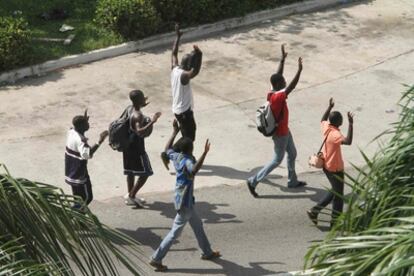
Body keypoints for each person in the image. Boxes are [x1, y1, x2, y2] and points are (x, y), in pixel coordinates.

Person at [150, 120, 220, 271]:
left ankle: (207, 252)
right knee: (174, 233)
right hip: (185, 202)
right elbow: (193, 170)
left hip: (183, 199)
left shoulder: (177, 156)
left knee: (197, 225)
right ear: (190, 149)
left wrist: (175, 132)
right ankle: (156, 258)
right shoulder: (187, 160)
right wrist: (205, 153)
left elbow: (167, 149)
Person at [247, 44, 306, 197]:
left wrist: (282, 60)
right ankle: (253, 181)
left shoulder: (272, 91)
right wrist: (299, 71)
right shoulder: (278, 97)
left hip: (285, 129)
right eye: (283, 81)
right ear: (280, 85)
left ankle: (292, 181)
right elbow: (291, 87)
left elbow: (277, 75)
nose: (285, 82)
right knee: (277, 160)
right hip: (280, 133)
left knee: (292, 153)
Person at [307, 98, 354, 227]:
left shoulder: (327, 128)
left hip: (326, 165)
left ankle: (315, 211)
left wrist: (329, 107)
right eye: (342, 120)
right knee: (338, 196)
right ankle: (334, 223)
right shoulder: (335, 134)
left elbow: (323, 119)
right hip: (335, 168)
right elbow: (349, 141)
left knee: (334, 191)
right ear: (339, 122)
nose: (342, 121)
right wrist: (351, 124)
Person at [123, 90, 161, 207]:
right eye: (142, 97)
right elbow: (139, 131)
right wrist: (153, 121)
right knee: (145, 173)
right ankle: (132, 195)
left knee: (130, 172)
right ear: (139, 99)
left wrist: (141, 104)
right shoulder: (138, 115)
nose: (145, 98)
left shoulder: (129, 108)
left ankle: (130, 194)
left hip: (127, 147)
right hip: (137, 149)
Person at [65, 110, 108, 207]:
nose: (88, 124)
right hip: (79, 174)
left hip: (71, 172)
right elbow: (86, 155)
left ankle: (77, 217)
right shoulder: (81, 141)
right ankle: (76, 216)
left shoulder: (71, 132)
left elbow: (74, 127)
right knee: (86, 198)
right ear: (81, 126)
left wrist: (83, 121)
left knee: (78, 199)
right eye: (86, 123)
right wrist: (100, 141)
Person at [170, 23, 202, 142]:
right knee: (189, 137)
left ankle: (183, 153)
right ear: (188, 65)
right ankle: (185, 156)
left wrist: (177, 37)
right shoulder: (184, 76)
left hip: (178, 110)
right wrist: (200, 55)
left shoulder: (174, 69)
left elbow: (174, 53)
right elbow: (195, 71)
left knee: (186, 132)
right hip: (184, 112)